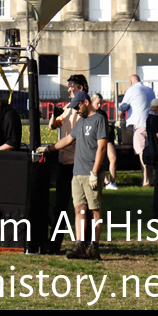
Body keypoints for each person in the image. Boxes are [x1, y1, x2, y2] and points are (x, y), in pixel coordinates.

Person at [47, 90, 107, 259]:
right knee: (79, 208)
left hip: (91, 173)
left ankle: (94, 246)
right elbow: (67, 140)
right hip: (77, 173)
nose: (77, 110)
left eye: (78, 106)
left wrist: (95, 171)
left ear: (85, 102)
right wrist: (49, 149)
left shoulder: (99, 120)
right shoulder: (80, 122)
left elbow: (102, 147)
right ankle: (80, 244)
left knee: (94, 209)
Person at [119, 74, 155, 189]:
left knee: (142, 154)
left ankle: (145, 180)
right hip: (151, 125)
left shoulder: (131, 90)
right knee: (149, 153)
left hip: (139, 125)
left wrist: (121, 116)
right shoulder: (150, 90)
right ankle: (151, 178)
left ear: (130, 82)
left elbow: (122, 107)